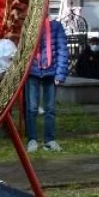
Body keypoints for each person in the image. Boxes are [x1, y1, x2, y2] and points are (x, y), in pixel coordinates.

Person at [25, 17, 68, 151]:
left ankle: (49, 140)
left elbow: (62, 50)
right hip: (33, 72)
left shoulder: (56, 26)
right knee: (31, 108)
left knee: (50, 109)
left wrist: (60, 74)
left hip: (51, 72)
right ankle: (32, 139)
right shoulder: (29, 25)